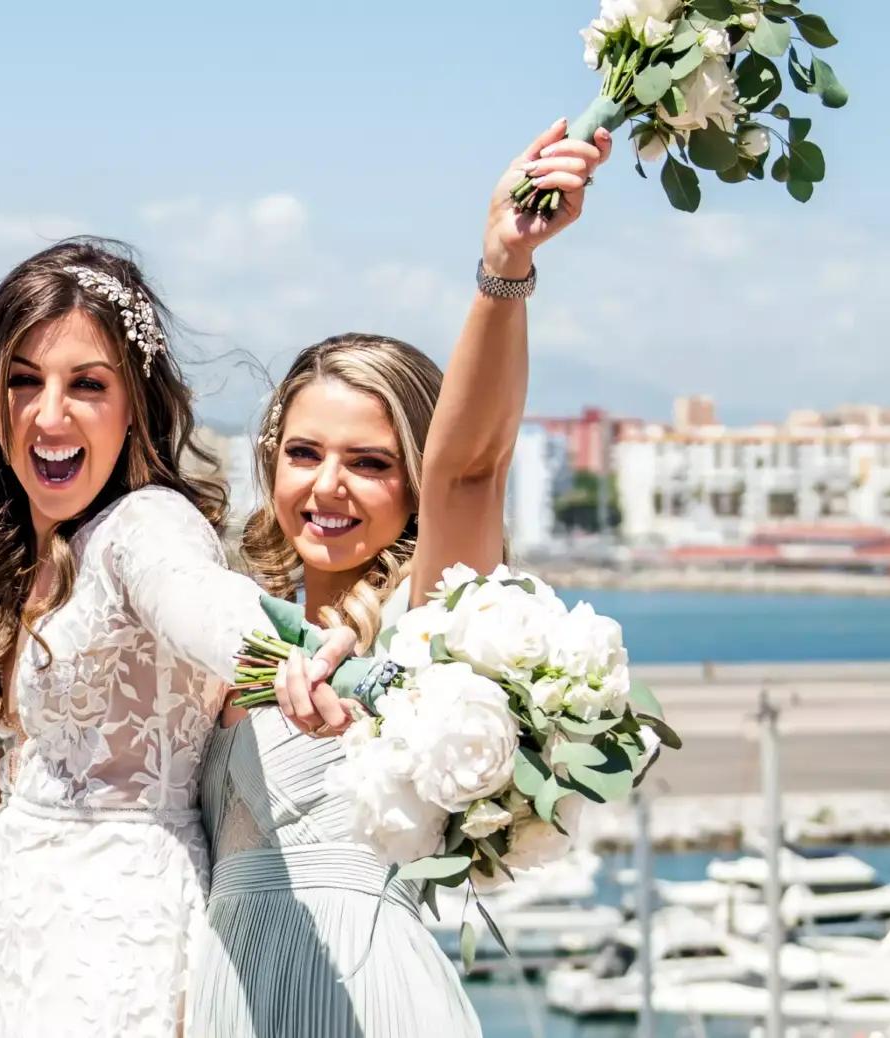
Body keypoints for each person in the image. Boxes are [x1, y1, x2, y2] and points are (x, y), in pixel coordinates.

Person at [190, 118, 612, 1036]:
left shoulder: (427, 623)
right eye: (304, 453)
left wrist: (504, 268)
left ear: (411, 482)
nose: (328, 486)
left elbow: (472, 468)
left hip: (367, 994)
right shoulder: (224, 628)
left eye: (370, 463)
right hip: (226, 999)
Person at [0, 239, 357, 1036]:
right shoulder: (28, 555)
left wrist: (277, 657)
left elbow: (199, 601)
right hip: (14, 920)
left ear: (135, 406)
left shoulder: (147, 526)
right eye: (23, 382)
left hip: (115, 927)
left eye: (86, 386)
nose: (49, 416)